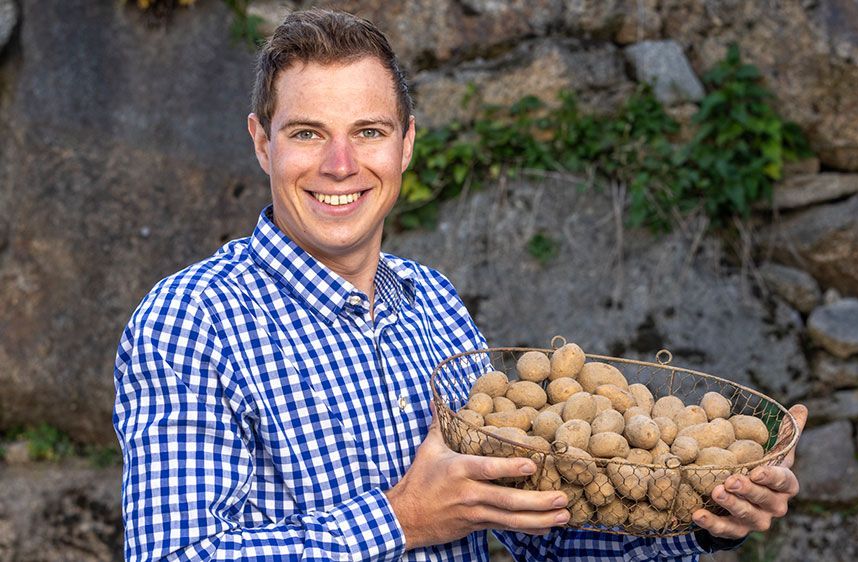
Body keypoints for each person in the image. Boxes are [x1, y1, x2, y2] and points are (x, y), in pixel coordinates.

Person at [113, 8, 808, 561]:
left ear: (406, 144)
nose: (341, 163)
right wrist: (401, 520)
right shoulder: (191, 320)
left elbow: (547, 530)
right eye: (306, 133)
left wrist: (702, 517)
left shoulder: (433, 304)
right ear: (262, 142)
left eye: (369, 130)